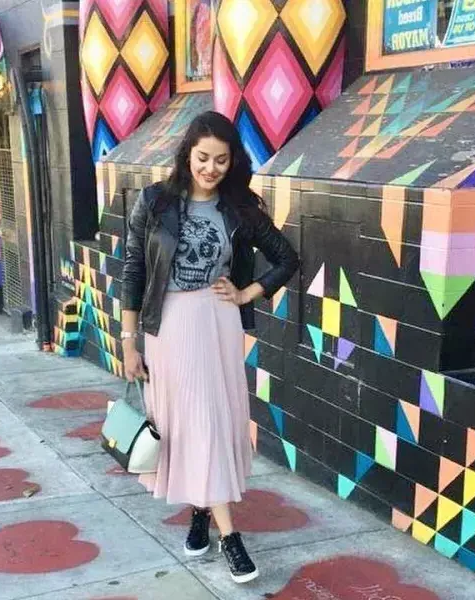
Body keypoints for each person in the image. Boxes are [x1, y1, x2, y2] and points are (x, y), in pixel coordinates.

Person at [121, 111, 299, 584]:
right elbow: (134, 271)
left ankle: (216, 524)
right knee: (193, 424)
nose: (211, 168)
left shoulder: (239, 208)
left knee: (212, 423)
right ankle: (220, 528)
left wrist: (246, 293)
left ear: (231, 161)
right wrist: (128, 340)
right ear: (187, 154)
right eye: (203, 157)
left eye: (221, 160)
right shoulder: (155, 201)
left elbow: (287, 259)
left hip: (218, 323)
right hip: (170, 326)